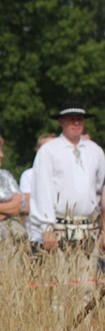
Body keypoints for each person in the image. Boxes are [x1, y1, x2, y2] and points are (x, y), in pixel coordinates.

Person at [29, 101, 105, 253]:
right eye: (71, 118)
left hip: (90, 227)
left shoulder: (94, 150)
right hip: (59, 227)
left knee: (88, 275)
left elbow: (100, 188)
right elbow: (42, 189)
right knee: (62, 275)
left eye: (80, 119)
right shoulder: (49, 150)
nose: (76, 123)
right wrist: (47, 228)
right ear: (61, 121)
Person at [19, 133, 56, 242]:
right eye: (44, 147)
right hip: (36, 235)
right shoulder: (29, 175)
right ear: (37, 149)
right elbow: (27, 205)